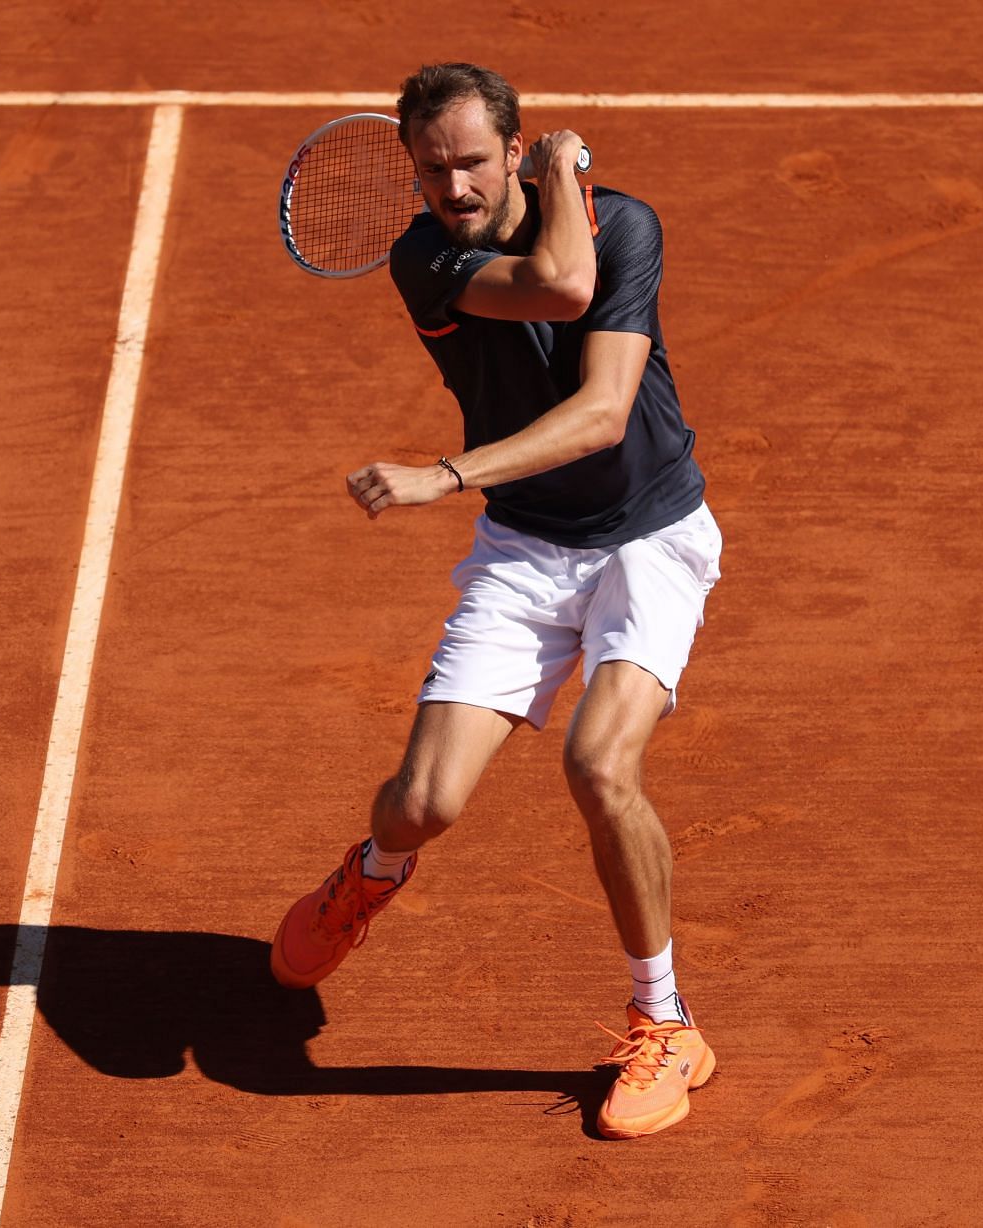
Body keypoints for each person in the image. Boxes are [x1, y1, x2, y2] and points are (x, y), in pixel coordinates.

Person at [269, 62, 725, 1140]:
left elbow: (605, 411)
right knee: (422, 802)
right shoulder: (425, 255)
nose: (454, 186)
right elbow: (557, 287)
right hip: (525, 551)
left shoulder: (629, 229)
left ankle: (667, 1023)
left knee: (600, 763)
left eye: (474, 161)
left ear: (511, 149)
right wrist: (566, 170)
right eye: (432, 169)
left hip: (648, 541)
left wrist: (445, 473)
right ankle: (371, 874)